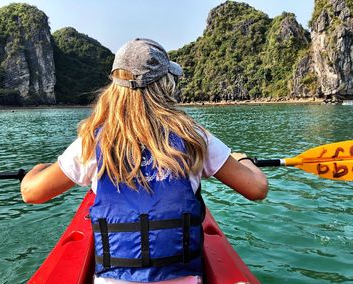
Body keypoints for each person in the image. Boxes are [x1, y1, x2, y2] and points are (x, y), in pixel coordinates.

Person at [21, 38, 268, 284]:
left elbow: (31, 193)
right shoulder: (194, 136)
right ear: (165, 84)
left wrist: (37, 169)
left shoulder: (94, 142)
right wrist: (242, 159)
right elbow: (257, 188)